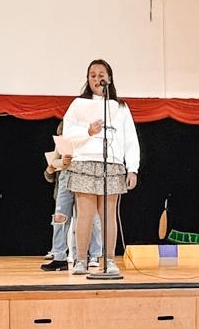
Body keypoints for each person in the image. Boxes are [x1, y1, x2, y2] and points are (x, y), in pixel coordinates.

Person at [62, 58, 139, 277]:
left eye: (101, 75)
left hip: (111, 164)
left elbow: (130, 138)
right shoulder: (78, 105)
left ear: (109, 78)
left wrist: (132, 168)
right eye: (92, 75)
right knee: (85, 215)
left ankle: (110, 260)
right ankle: (81, 260)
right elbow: (67, 134)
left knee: (108, 216)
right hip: (85, 162)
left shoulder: (119, 107)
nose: (97, 79)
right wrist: (88, 131)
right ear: (88, 79)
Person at [41, 126, 102, 271]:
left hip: (84, 176)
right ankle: (59, 257)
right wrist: (62, 162)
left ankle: (92, 255)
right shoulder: (62, 142)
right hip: (66, 177)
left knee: (89, 217)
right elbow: (53, 163)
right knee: (59, 217)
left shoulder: (89, 138)